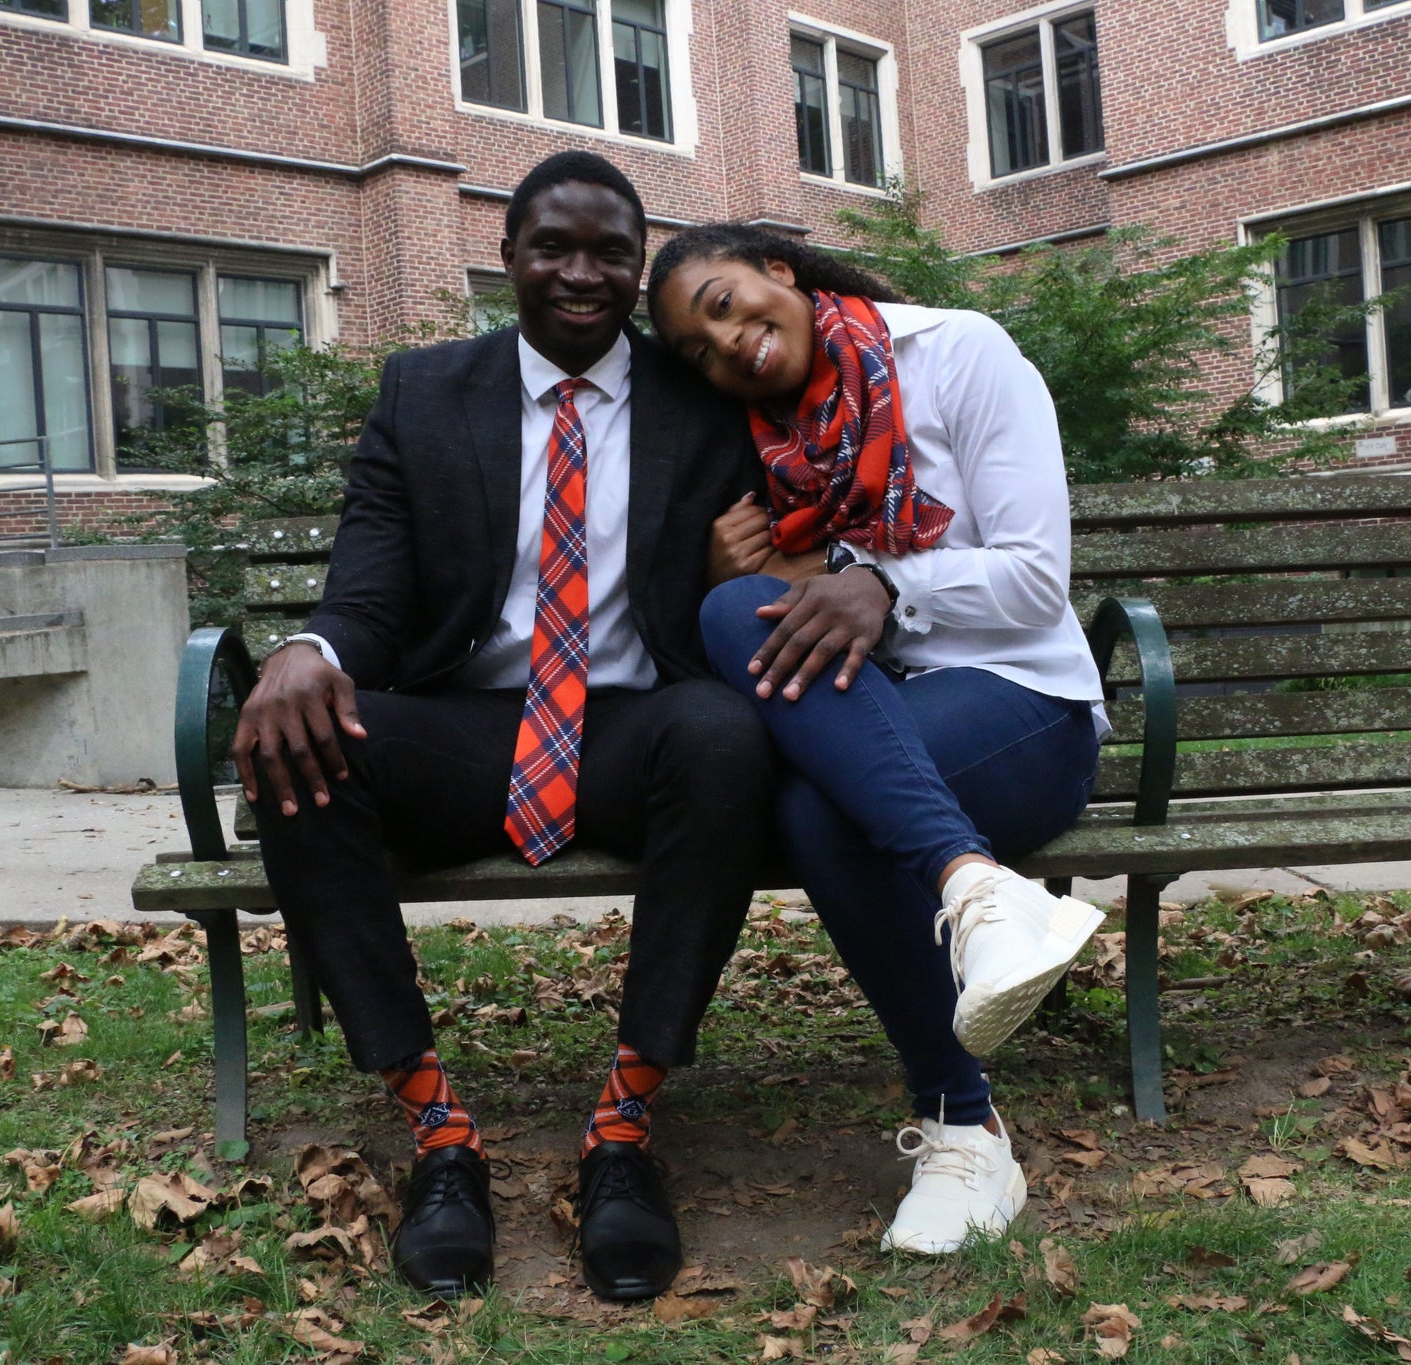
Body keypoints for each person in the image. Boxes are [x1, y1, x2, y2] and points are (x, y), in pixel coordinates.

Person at [235, 154, 770, 1303]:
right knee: (299, 754)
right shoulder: (425, 391)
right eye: (552, 248)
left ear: (638, 267)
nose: (580, 273)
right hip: (468, 728)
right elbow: (367, 589)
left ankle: (622, 1131)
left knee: (723, 735)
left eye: (609, 253)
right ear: (508, 256)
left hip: (633, 725)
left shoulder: (700, 399)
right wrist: (308, 650)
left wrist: (752, 573)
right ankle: (438, 1135)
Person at [646, 225, 1109, 1255]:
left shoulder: (958, 352)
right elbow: (767, 623)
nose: (728, 346)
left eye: (724, 305)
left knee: (825, 810)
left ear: (778, 271)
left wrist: (882, 587)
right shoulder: (763, 440)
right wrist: (733, 579)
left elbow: (1038, 577)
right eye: (698, 351)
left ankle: (959, 1120)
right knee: (735, 623)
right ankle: (976, 896)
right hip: (873, 720)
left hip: (1024, 705)